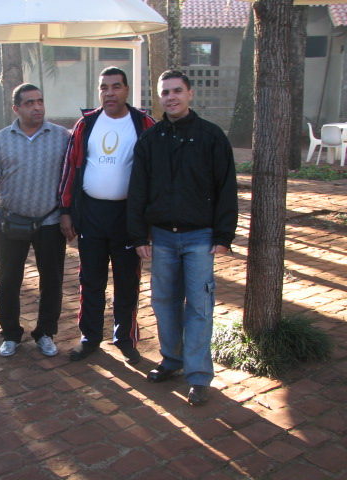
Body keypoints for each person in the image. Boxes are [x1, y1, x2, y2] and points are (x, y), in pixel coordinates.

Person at [127, 70, 238, 406]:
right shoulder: (151, 139)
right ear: (159, 97)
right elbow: (138, 189)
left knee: (200, 307)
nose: (171, 97)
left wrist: (224, 234)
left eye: (177, 91)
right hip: (161, 237)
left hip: (200, 237)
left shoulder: (211, 136)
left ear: (190, 94)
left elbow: (226, 187)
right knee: (164, 302)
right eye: (165, 92)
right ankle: (172, 360)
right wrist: (138, 234)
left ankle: (199, 375)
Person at [58, 66, 155, 365]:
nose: (109, 93)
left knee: (127, 281)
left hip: (128, 217)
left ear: (126, 90)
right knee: (91, 279)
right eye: (104, 87)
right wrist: (66, 211)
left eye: (115, 86)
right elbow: (70, 168)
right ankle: (90, 337)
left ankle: (125, 338)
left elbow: (156, 174)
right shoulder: (86, 124)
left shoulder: (144, 124)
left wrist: (148, 221)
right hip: (91, 214)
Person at [0, 83, 70, 357]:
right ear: (16, 108)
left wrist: (68, 214)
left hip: (50, 221)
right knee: (7, 281)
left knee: (52, 280)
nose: (37, 107)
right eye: (29, 103)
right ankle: (10, 334)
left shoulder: (62, 137)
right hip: (10, 222)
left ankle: (45, 332)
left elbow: (72, 179)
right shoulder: (0, 140)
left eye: (40, 101)